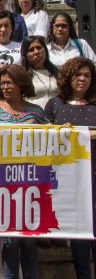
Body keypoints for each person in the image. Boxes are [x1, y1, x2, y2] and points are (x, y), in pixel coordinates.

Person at [0, 64, 47, 279]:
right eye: (2, 83)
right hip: (2, 187)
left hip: (31, 185)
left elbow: (52, 140)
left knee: (29, 242)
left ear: (22, 84)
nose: (5, 87)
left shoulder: (36, 112)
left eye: (10, 82)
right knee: (9, 242)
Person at [44, 57, 96, 279]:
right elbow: (45, 137)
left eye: (86, 75)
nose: (82, 79)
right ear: (68, 78)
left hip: (95, 175)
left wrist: (81, 134)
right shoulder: (55, 105)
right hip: (70, 181)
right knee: (79, 239)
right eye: (77, 74)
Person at [21, 36, 58, 108]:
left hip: (56, 116)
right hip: (33, 116)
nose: (36, 52)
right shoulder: (22, 76)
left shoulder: (57, 73)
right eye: (31, 50)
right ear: (25, 55)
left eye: (39, 48)